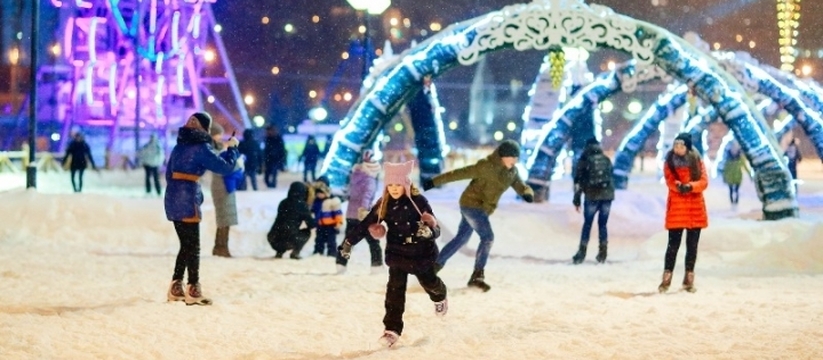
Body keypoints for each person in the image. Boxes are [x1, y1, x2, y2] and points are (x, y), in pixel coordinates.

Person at [338, 161, 447, 347]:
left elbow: (435, 227)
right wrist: (348, 242)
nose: (394, 189)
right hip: (398, 254)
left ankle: (440, 297)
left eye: (398, 185)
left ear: (405, 184)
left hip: (421, 253)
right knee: (394, 293)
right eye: (390, 185)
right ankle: (391, 330)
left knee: (430, 283)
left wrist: (429, 232)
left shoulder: (418, 202)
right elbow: (364, 225)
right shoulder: (384, 204)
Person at [422, 139, 535, 292]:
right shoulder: (486, 166)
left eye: (516, 158)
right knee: (487, 237)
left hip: (483, 209)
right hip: (471, 204)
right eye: (512, 157)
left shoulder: (512, 172)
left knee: (461, 239)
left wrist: (527, 193)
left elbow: (521, 185)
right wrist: (434, 182)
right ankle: (477, 276)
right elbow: (459, 173)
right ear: (503, 156)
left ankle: (432, 270)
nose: (515, 160)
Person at [164, 112, 239, 306]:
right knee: (193, 246)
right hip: (187, 199)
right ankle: (193, 288)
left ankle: (176, 286)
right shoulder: (201, 148)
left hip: (172, 198)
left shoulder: (179, 146)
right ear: (205, 129)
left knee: (185, 244)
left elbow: (168, 174)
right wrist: (232, 150)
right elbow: (225, 168)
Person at [658, 133, 708, 294]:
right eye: (676, 145)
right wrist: (678, 186)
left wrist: (690, 186)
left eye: (681, 145)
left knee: (692, 247)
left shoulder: (697, 161)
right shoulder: (669, 162)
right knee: (673, 246)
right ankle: (666, 278)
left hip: (695, 209)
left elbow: (704, 181)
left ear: (687, 147)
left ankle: (689, 279)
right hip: (677, 210)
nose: (678, 148)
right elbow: (669, 180)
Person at [335, 150, 383, 274]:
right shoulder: (370, 180)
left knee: (348, 241)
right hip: (363, 215)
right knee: (373, 241)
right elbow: (366, 196)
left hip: (350, 214)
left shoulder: (355, 176)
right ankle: (376, 266)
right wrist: (364, 210)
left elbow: (350, 194)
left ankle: (341, 264)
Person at [571, 138, 615, 264]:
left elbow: (578, 181)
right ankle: (603, 253)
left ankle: (581, 253)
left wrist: (577, 199)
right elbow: (611, 175)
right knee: (603, 225)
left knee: (588, 224)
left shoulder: (584, 159)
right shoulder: (605, 159)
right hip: (607, 196)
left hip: (592, 195)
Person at [208, 123, 245, 258]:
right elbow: (222, 167)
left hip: (224, 185)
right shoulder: (211, 149)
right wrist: (230, 150)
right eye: (218, 134)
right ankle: (221, 247)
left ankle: (220, 246)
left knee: (226, 217)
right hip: (221, 186)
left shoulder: (216, 148)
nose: (221, 137)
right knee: (224, 218)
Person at [267, 181, 315, 259]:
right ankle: (295, 253)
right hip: (289, 239)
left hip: (273, 238)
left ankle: (280, 251)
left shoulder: (283, 202)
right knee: (306, 232)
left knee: (284, 230)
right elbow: (311, 224)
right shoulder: (302, 205)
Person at [311, 178, 343, 256]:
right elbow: (313, 211)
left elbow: (338, 213)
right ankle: (318, 251)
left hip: (330, 225)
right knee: (319, 239)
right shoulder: (316, 201)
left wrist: (338, 223)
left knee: (331, 240)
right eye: (317, 193)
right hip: (320, 225)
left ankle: (332, 252)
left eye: (321, 193)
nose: (319, 195)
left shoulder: (333, 201)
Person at [722, 142, 749, 206]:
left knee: (736, 190)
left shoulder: (740, 158)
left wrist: (750, 174)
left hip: (738, 177)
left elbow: (744, 166)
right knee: (731, 190)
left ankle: (736, 201)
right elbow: (725, 169)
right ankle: (732, 202)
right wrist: (724, 177)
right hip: (730, 177)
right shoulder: (728, 159)